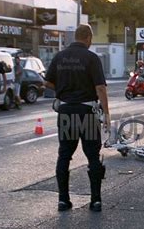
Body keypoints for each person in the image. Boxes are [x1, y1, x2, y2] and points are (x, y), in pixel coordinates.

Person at [44, 24, 110, 212]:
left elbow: (47, 81)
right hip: (86, 111)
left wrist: (62, 91)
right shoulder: (91, 58)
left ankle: (63, 200)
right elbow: (100, 88)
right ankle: (95, 200)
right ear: (88, 37)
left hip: (66, 111)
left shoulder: (60, 56)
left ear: (75, 36)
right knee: (92, 156)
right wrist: (106, 113)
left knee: (64, 155)